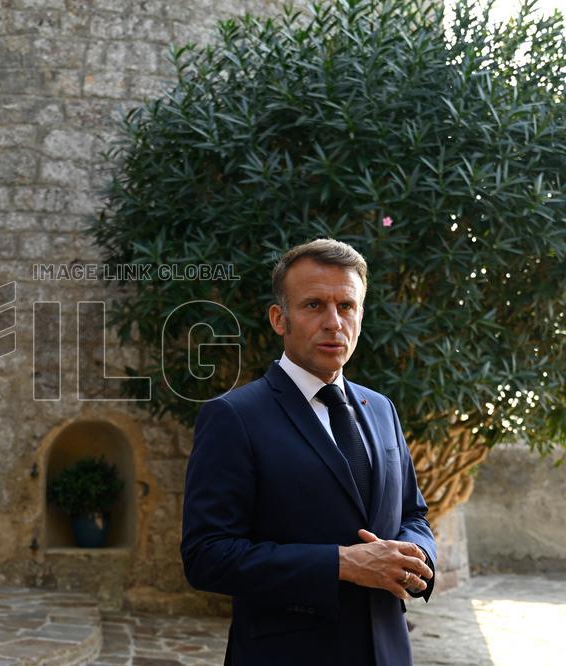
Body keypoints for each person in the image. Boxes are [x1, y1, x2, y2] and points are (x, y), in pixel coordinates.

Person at [181, 238, 437, 666]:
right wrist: (342, 564)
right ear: (279, 319)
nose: (334, 322)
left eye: (347, 306)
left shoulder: (382, 409)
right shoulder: (233, 417)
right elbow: (207, 556)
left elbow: (413, 514)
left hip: (388, 651)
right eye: (314, 305)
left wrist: (415, 558)